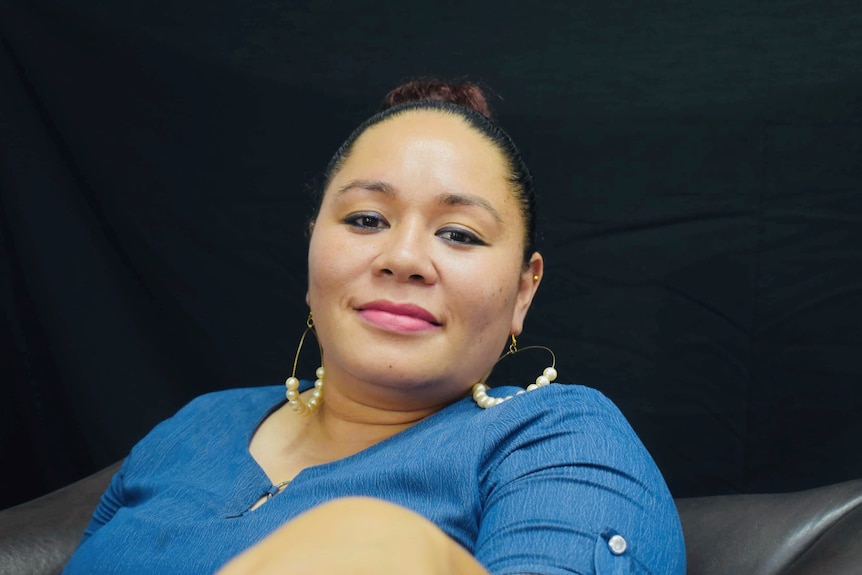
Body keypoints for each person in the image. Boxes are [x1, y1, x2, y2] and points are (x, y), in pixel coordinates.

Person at [61, 79, 686, 575]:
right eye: (365, 220)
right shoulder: (194, 427)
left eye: (460, 234)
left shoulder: (555, 440)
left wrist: (376, 543)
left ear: (525, 290)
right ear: (312, 257)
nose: (404, 258)